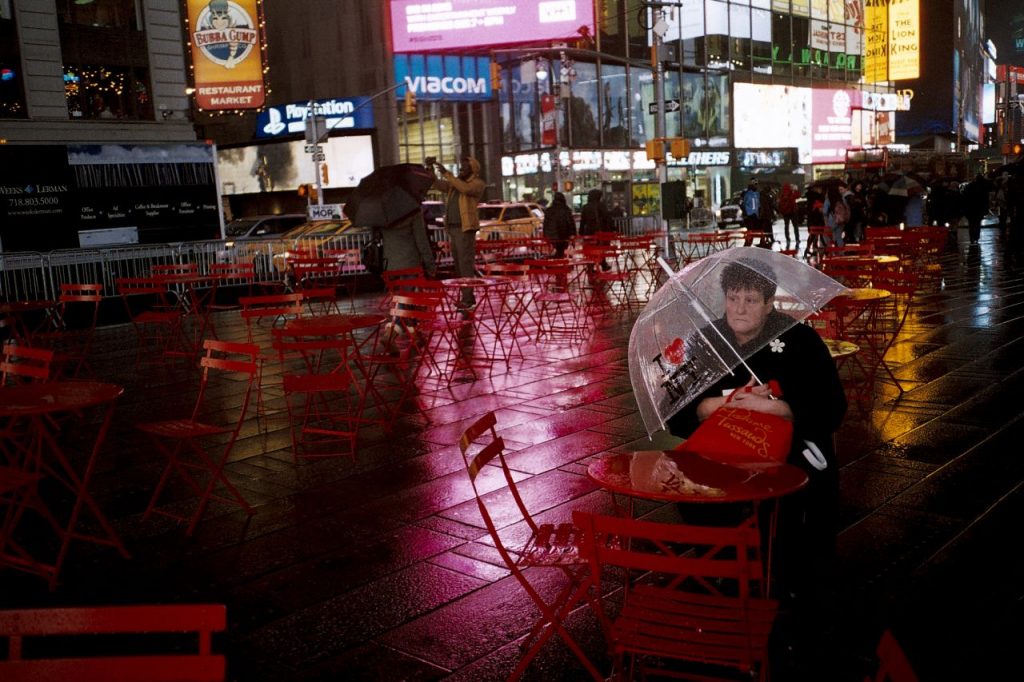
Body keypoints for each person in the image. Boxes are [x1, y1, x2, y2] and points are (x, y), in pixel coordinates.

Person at [667, 258, 847, 597]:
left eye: (750, 300)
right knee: (687, 482)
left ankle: (781, 571)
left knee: (784, 494)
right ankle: (721, 563)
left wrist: (775, 407)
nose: (739, 309)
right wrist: (715, 405)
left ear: (769, 304)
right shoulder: (707, 340)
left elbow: (833, 408)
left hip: (788, 448)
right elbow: (674, 412)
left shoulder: (799, 340)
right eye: (733, 298)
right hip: (724, 449)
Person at [432, 155, 486, 311]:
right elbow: (438, 185)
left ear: (473, 169)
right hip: (454, 229)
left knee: (465, 265)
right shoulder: (455, 184)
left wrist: (447, 173)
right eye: (460, 167)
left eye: (464, 167)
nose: (461, 170)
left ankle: (468, 299)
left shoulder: (477, 184)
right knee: (459, 265)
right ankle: (466, 297)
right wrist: (431, 170)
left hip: (465, 229)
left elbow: (465, 189)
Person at [579, 188, 611, 270]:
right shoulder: (602, 206)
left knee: (591, 250)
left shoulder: (585, 207)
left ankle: (591, 266)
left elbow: (583, 222)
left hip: (589, 233)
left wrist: (581, 233)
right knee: (601, 249)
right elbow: (607, 219)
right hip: (600, 233)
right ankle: (603, 263)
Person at [541, 191, 575, 258]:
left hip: (551, 236)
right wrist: (573, 234)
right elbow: (570, 223)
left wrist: (545, 235)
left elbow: (546, 224)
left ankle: (557, 261)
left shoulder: (549, 210)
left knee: (557, 250)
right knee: (561, 250)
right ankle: (560, 261)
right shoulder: (566, 209)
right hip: (563, 236)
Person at [962, 173, 993, 245]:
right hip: (979, 209)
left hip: (970, 209)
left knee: (972, 224)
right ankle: (976, 237)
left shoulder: (969, 186)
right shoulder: (983, 187)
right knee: (977, 224)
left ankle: (972, 238)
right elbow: (985, 199)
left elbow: (965, 198)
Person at [740, 179, 762, 246]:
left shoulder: (757, 194)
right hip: (748, 217)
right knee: (751, 232)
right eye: (755, 184)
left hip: (755, 216)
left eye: (757, 184)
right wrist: (746, 212)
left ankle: (760, 244)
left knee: (759, 230)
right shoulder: (745, 193)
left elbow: (758, 204)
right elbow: (741, 203)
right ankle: (746, 247)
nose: (756, 186)